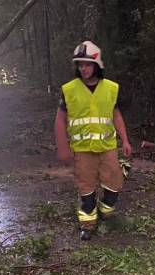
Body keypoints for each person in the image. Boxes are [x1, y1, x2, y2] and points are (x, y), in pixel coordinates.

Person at [54, 41, 133, 241]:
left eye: (87, 64)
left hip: (107, 147)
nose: (84, 68)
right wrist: (63, 147)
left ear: (97, 65)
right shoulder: (69, 89)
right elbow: (60, 118)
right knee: (86, 187)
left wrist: (125, 140)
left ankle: (106, 211)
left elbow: (115, 115)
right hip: (82, 149)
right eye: (80, 65)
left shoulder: (111, 88)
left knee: (114, 182)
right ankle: (88, 223)